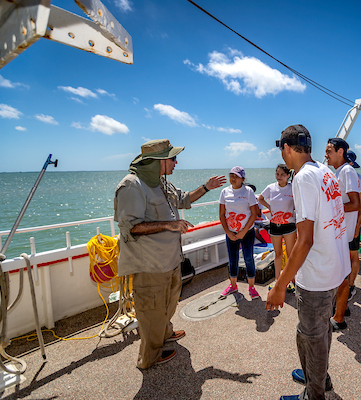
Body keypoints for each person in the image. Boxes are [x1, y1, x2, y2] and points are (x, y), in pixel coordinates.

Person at [114, 139, 226, 369]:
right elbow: (130, 227)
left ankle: (164, 335)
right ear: (158, 161)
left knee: (168, 303)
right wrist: (169, 225)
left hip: (171, 260)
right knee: (151, 310)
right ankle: (149, 357)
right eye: (172, 158)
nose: (176, 162)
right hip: (150, 265)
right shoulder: (132, 186)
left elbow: (183, 200)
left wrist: (206, 187)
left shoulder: (161, 184)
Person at [266, 124, 350, 400]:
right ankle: (319, 376)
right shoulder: (325, 171)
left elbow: (305, 240)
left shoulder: (301, 178)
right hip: (335, 267)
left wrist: (280, 285)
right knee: (322, 329)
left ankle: (314, 394)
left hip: (316, 274)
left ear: (287, 149)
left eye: (283, 152)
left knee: (310, 335)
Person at [324, 138, 360, 330]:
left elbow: (355, 203)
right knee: (340, 275)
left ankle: (339, 319)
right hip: (340, 233)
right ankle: (342, 308)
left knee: (341, 276)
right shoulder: (339, 172)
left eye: (329, 150)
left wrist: (329, 208)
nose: (326, 155)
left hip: (343, 236)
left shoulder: (346, 171)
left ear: (341, 151)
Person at [219, 166, 261, 300]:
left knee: (249, 259)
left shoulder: (248, 192)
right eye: (231, 175)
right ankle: (233, 285)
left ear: (242, 179)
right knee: (233, 259)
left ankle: (251, 287)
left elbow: (254, 213)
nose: (233, 178)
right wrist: (228, 232)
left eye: (236, 176)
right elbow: (221, 214)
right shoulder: (224, 192)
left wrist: (243, 231)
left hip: (247, 232)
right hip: (231, 232)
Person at [258, 164, 297, 292]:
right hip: (275, 225)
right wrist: (269, 208)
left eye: (282, 174)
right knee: (278, 254)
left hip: (289, 225)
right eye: (277, 174)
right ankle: (277, 279)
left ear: (288, 176)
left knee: (291, 254)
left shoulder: (292, 188)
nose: (279, 177)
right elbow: (261, 198)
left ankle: (292, 280)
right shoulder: (270, 188)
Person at [345, 151, 361, 301]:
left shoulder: (360, 180)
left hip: (352, 225)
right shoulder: (338, 177)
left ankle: (351, 285)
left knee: (353, 255)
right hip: (339, 226)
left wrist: (357, 227)